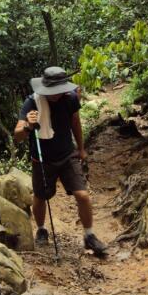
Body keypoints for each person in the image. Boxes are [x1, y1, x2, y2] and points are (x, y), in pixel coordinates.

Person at [13, 66, 107, 255]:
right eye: (52, 91)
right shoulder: (32, 102)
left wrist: (81, 148)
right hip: (42, 159)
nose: (55, 95)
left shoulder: (70, 99)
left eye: (58, 91)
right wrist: (29, 127)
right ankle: (41, 229)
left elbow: (75, 122)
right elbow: (17, 135)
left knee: (83, 195)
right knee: (40, 197)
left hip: (67, 155)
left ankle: (89, 236)